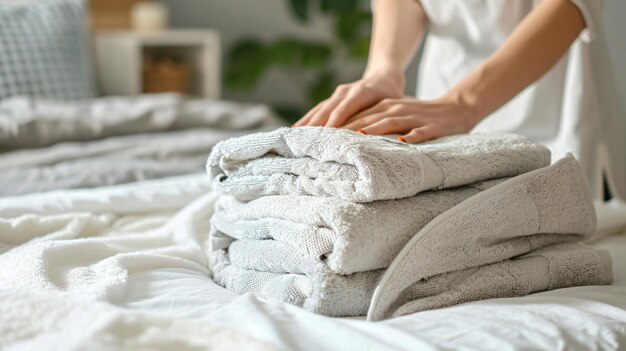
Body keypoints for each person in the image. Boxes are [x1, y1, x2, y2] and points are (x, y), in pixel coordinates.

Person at [294, 0, 625, 203]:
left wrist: (463, 104)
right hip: (441, 119)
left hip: (556, 117)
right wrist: (383, 72)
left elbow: (571, 5)